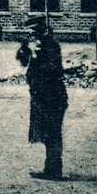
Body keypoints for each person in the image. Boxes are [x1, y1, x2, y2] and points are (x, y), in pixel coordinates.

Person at [16, 15, 68, 180]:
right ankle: (51, 167)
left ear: (41, 31)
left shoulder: (51, 46)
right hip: (41, 96)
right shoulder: (37, 45)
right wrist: (25, 50)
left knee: (52, 132)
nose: (30, 36)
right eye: (29, 33)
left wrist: (36, 55)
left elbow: (52, 70)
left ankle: (53, 170)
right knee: (46, 132)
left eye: (33, 32)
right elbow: (23, 62)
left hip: (52, 95)